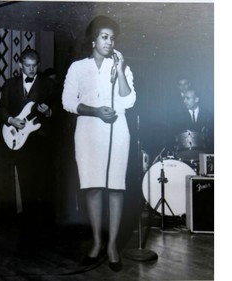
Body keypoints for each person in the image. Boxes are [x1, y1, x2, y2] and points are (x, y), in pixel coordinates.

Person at [62, 16, 136, 272]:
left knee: (116, 187)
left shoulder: (121, 67)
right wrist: (95, 111)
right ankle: (96, 242)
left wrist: (122, 69)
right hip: (88, 132)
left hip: (117, 132)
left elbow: (128, 102)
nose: (109, 42)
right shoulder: (78, 68)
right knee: (92, 187)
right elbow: (67, 102)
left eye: (112, 38)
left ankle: (112, 245)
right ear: (94, 40)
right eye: (104, 37)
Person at [0, 48, 55, 227]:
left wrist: (50, 111)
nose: (31, 69)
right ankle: (25, 227)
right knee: (24, 182)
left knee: (40, 183)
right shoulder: (9, 84)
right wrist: (11, 120)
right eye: (27, 66)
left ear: (38, 65)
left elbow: (59, 105)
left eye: (34, 66)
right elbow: (1, 109)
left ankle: (38, 227)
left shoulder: (48, 84)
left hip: (40, 139)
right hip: (18, 139)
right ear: (20, 65)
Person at [171, 88, 213, 160]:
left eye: (188, 98)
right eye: (184, 98)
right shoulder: (178, 116)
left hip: (205, 155)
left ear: (196, 99)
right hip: (185, 156)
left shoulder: (208, 115)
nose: (184, 101)